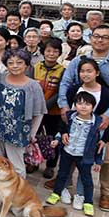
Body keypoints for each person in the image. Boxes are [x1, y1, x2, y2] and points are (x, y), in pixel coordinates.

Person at [58, 24, 109, 212]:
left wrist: (108, 115)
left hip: (103, 117)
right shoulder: (78, 61)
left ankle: (106, 192)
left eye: (105, 37)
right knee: (71, 147)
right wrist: (64, 105)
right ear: (91, 38)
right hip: (77, 115)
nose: (100, 40)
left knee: (106, 154)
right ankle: (64, 182)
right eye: (96, 36)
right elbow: (65, 83)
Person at [0, 49, 46, 180]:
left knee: (16, 164)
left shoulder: (33, 86)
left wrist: (32, 134)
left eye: (19, 62)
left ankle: (16, 189)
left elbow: (39, 112)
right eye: (10, 63)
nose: (15, 66)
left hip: (18, 132)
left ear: (26, 64)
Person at [46, 91, 104, 217]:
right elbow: (62, 130)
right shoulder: (69, 117)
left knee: (86, 179)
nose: (83, 107)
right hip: (68, 152)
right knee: (62, 174)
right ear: (75, 105)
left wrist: (99, 161)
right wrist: (57, 140)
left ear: (93, 107)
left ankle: (88, 202)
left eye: (87, 104)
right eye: (80, 103)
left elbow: (99, 145)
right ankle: (56, 193)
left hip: (84, 156)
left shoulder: (97, 123)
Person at [34, 37, 65, 179]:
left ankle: (50, 165)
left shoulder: (62, 71)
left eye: (55, 51)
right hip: (36, 110)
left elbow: (60, 92)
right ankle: (33, 161)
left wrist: (46, 105)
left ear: (59, 53)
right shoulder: (35, 68)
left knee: (52, 138)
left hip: (53, 111)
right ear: (43, 52)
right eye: (48, 51)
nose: (51, 54)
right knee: (34, 136)